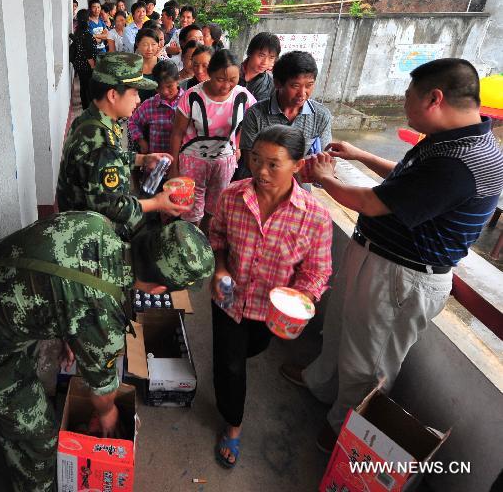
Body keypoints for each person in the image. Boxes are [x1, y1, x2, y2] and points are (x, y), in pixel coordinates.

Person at [280, 58, 503, 453]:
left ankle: (344, 432)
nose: (403, 103)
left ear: (434, 98)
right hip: (377, 256)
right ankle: (320, 384)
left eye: (408, 96)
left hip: (403, 274)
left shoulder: (462, 161)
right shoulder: (450, 141)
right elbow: (405, 179)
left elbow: (369, 200)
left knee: (370, 361)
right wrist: (359, 156)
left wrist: (325, 177)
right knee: (340, 327)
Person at [0, 210, 215, 492]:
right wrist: (108, 413)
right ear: (159, 289)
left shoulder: (94, 223)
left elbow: (58, 276)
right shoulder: (103, 320)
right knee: (41, 437)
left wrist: (70, 334)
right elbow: (102, 389)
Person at [209, 125, 333, 469]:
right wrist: (219, 268)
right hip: (228, 300)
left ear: (297, 165)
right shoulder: (232, 196)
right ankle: (233, 425)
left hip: (269, 311)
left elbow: (317, 271)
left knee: (254, 349)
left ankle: (234, 365)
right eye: (255, 160)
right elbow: (217, 237)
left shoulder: (315, 217)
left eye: (273, 164)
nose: (260, 171)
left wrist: (301, 300)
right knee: (230, 364)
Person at [57, 52, 189, 239]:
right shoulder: (101, 141)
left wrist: (142, 159)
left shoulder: (90, 119)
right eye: (134, 93)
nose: (138, 100)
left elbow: (104, 161)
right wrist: (157, 203)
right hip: (90, 235)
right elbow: (113, 206)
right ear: (112, 95)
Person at [168, 49, 256, 231]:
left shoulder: (243, 96)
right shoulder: (192, 96)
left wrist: (237, 145)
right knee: (191, 211)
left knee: (214, 208)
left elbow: (251, 123)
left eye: (233, 80)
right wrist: (174, 168)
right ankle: (191, 242)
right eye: (220, 79)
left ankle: (206, 241)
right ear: (210, 74)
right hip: (192, 161)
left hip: (224, 161)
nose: (226, 86)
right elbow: (177, 133)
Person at [237, 51, 332, 180]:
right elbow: (250, 160)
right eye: (295, 86)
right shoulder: (255, 114)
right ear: (277, 83)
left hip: (298, 183)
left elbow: (324, 160)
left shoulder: (321, 116)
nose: (302, 93)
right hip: (258, 179)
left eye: (309, 85)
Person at [129, 60, 185, 155]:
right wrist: (141, 141)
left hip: (183, 161)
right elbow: (133, 121)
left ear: (178, 80)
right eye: (159, 88)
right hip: (156, 163)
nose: (165, 92)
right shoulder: (149, 105)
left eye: (169, 86)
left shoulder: (188, 101)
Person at [238, 32, 280, 102]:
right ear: (250, 52)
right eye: (261, 55)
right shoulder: (232, 73)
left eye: (271, 58)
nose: (265, 62)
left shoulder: (271, 85)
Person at [70, 9, 98, 108]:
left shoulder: (78, 32)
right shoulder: (86, 35)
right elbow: (89, 54)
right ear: (87, 20)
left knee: (83, 86)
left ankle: (85, 105)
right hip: (87, 66)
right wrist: (93, 66)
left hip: (79, 64)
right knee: (88, 87)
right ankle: (87, 107)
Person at [134, 28, 162, 102]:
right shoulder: (131, 66)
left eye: (153, 44)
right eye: (145, 44)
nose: (149, 49)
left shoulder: (163, 66)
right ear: (137, 44)